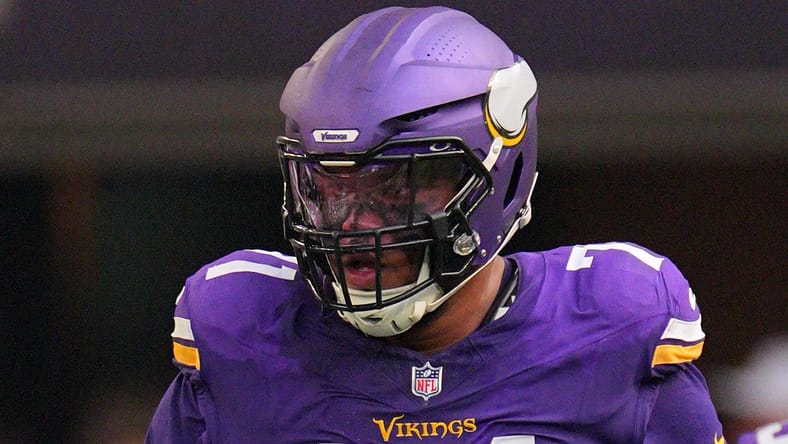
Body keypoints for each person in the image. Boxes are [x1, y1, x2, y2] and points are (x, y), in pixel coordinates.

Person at [146, 6, 726, 443]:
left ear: (498, 176)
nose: (355, 226)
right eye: (330, 188)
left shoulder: (614, 327)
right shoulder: (240, 338)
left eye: (397, 187)